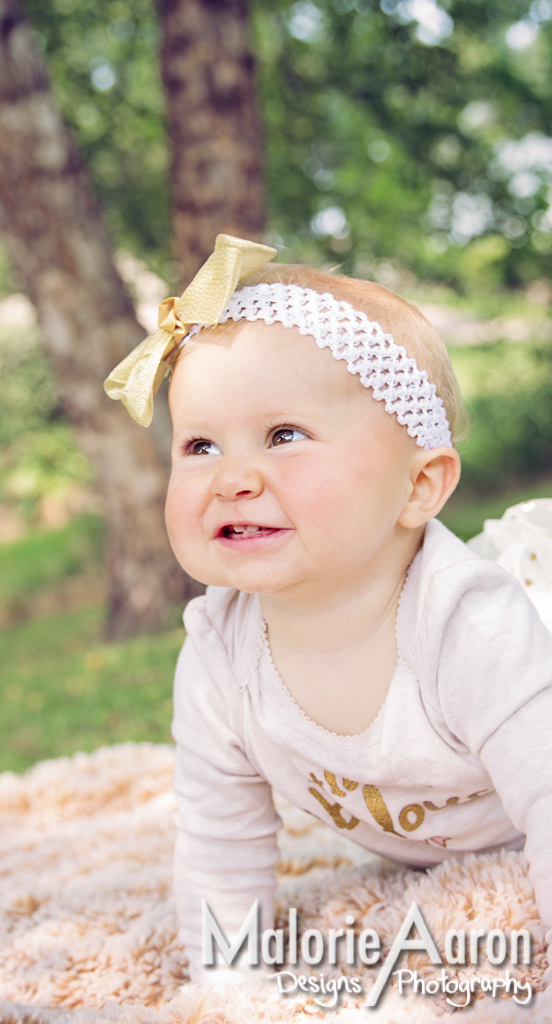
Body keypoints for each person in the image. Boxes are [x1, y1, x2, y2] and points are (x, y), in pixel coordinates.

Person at [104, 234, 552, 987]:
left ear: (417, 488)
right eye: (200, 445)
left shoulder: (467, 626)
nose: (232, 477)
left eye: (283, 435)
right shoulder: (219, 657)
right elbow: (221, 843)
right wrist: (232, 992)